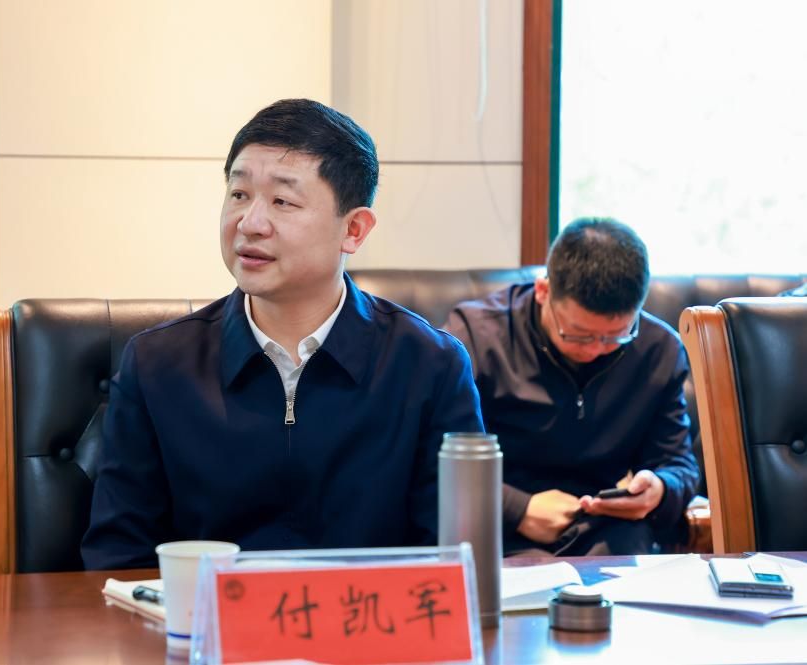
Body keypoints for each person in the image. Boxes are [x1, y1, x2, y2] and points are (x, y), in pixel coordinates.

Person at [82, 99, 484, 569]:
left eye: (282, 201)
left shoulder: (429, 365)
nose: (250, 223)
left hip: (369, 616)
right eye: (239, 194)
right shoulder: (157, 364)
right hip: (204, 617)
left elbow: (456, 563)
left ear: (354, 229)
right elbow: (118, 559)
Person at [444, 218, 699, 556]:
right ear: (543, 291)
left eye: (615, 337)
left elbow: (678, 462)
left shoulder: (658, 350)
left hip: (605, 530)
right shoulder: (475, 339)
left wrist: (661, 488)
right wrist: (516, 508)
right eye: (578, 335)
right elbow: (436, 460)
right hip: (497, 528)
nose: (595, 350)